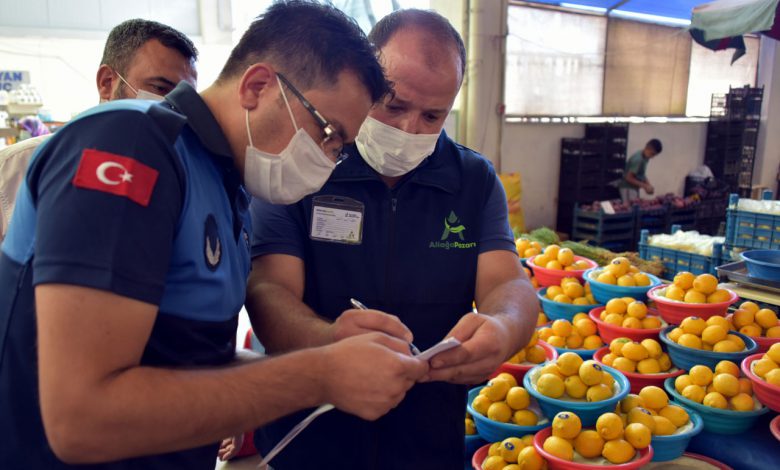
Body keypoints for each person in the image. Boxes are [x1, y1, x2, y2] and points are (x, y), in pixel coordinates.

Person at [0, 2, 428, 469]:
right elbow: (82, 419)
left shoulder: (227, 189)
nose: (327, 160)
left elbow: (185, 363)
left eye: (338, 150)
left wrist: (328, 347)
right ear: (258, 86)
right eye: (327, 133)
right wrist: (318, 376)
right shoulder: (132, 146)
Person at [247, 9, 539, 468]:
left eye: (432, 115)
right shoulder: (304, 162)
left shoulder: (473, 181)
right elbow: (268, 290)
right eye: (394, 105)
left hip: (426, 438)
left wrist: (504, 327)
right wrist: (327, 344)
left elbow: (509, 285)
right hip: (308, 432)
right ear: (363, 79)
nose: (408, 130)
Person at [0, 18, 199, 243]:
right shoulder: (14, 168)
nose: (173, 106)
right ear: (107, 82)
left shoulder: (182, 180)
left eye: (184, 97)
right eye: (160, 88)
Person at [619, 138, 663, 203]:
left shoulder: (645, 157)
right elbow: (628, 178)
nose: (652, 157)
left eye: (654, 155)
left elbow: (641, 173)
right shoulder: (638, 159)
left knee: (635, 207)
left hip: (634, 188)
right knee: (630, 210)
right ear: (648, 148)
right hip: (627, 188)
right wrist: (645, 186)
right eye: (652, 154)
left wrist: (648, 184)